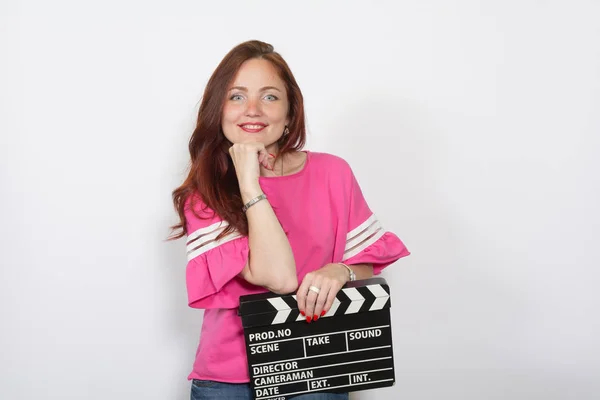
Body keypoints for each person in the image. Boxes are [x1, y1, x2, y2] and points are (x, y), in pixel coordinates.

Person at [170, 40, 410, 400]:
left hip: (316, 369)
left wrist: (340, 270)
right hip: (228, 382)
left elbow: (367, 265)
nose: (252, 110)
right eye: (236, 96)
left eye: (269, 97)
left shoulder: (333, 173)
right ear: (218, 111)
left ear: (289, 112)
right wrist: (249, 180)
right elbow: (280, 277)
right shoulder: (204, 193)